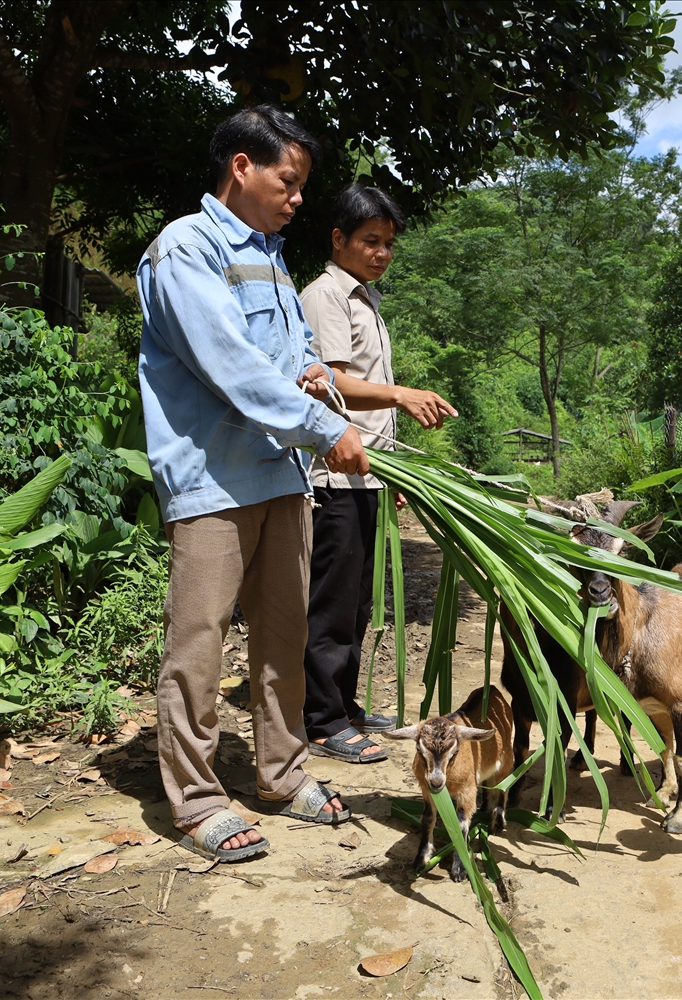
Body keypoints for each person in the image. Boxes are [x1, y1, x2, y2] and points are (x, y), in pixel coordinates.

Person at [136, 106, 365, 862]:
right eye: (287, 181)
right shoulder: (184, 250)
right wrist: (330, 430)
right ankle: (198, 801)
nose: (298, 199)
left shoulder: (270, 258)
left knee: (283, 635)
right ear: (242, 166)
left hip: (280, 475)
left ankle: (282, 772)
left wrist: (314, 380)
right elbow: (231, 371)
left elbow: (293, 359)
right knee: (199, 641)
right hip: (212, 478)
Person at [297, 184, 457, 763]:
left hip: (367, 476)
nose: (382, 252)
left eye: (389, 242)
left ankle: (344, 707)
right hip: (333, 477)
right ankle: (321, 721)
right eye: (370, 240)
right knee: (333, 604)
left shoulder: (365, 299)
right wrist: (402, 394)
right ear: (338, 239)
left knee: (358, 603)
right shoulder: (326, 297)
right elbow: (332, 383)